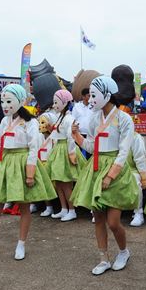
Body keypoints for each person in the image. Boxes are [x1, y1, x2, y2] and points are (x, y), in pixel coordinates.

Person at [0, 84, 57, 261]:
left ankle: (21, 244)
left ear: (20, 101)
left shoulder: (31, 122)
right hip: (4, 163)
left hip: (21, 163)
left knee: (24, 206)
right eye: (3, 101)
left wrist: (30, 173)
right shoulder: (4, 121)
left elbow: (34, 148)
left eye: (9, 101)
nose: (4, 105)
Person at [70, 76, 139, 275]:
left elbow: (124, 151)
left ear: (107, 95)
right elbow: (92, 147)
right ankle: (103, 258)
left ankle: (124, 251)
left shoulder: (124, 119)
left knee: (114, 222)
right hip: (96, 167)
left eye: (94, 95)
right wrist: (77, 137)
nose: (90, 99)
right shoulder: (93, 118)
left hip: (115, 171)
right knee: (98, 217)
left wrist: (110, 175)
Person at [46, 89, 85, 222]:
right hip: (59, 149)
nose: (54, 105)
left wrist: (72, 153)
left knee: (66, 183)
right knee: (58, 183)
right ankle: (63, 209)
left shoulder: (69, 118)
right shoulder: (60, 117)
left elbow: (70, 137)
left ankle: (72, 210)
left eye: (57, 102)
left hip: (65, 150)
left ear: (65, 103)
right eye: (54, 102)